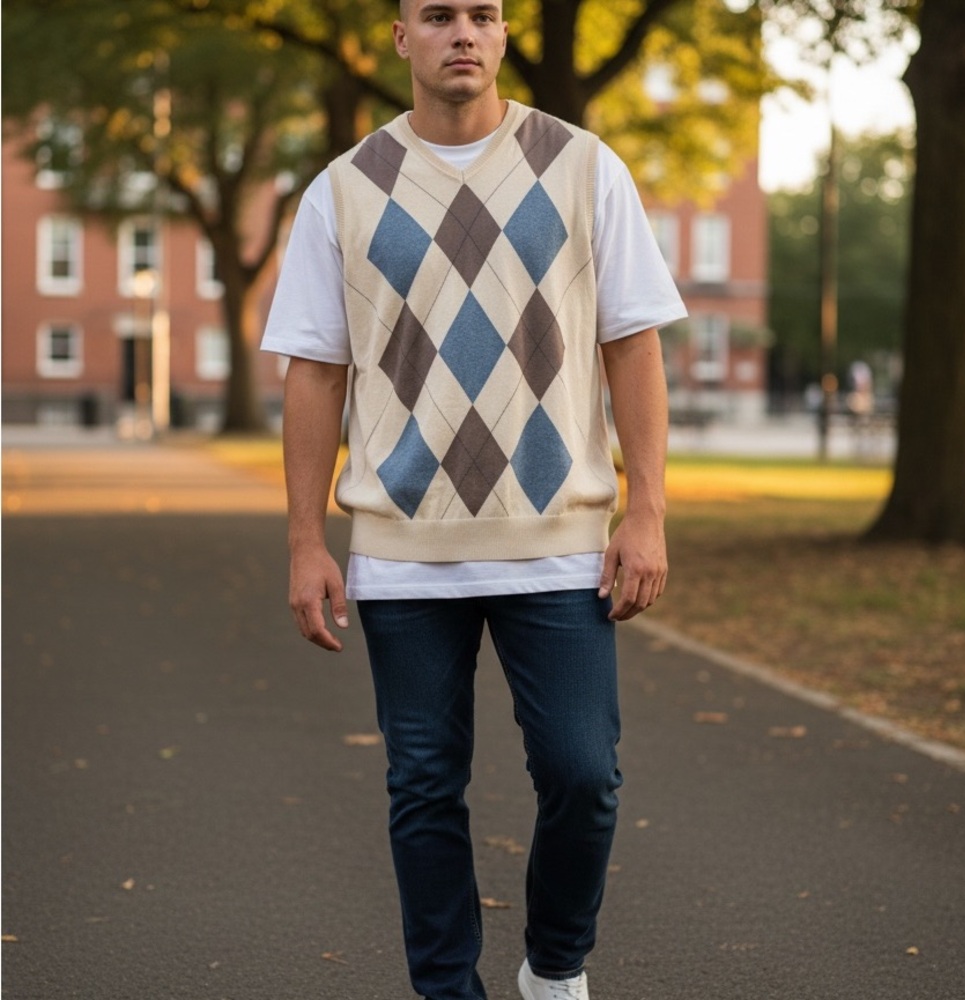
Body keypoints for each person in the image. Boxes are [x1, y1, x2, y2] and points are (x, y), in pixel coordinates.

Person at [261, 2, 686, 997]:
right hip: (403, 549)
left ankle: (554, 966)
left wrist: (648, 509)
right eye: (438, 13)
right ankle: (448, 990)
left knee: (584, 777)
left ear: (502, 38)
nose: (464, 31)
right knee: (421, 788)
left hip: (561, 541)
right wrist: (304, 542)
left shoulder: (585, 168)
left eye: (484, 14)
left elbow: (632, 344)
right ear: (399, 36)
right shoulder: (343, 191)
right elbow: (315, 374)